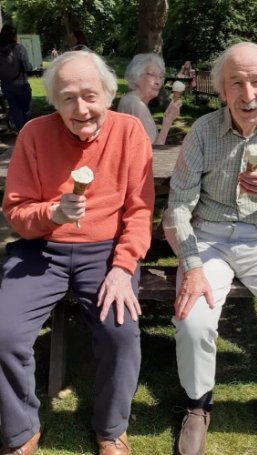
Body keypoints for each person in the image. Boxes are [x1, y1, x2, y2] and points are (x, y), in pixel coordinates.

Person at [163, 41, 257, 455]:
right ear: (222, 90)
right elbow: (178, 206)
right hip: (208, 236)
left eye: (256, 82)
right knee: (193, 322)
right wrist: (191, 266)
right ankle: (198, 405)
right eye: (236, 83)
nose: (247, 94)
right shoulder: (203, 131)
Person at [0, 50, 154, 455]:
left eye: (90, 95)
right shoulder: (34, 134)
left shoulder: (130, 132)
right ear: (54, 101)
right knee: (3, 332)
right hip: (40, 249)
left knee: (122, 334)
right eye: (68, 97)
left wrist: (123, 268)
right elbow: (16, 211)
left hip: (104, 253)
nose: (81, 108)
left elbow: (139, 211)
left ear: (107, 93)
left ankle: (111, 429)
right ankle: (21, 430)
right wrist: (52, 212)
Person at [117, 53, 181, 145]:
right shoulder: (136, 105)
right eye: (152, 75)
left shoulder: (129, 100)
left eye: (160, 76)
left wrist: (168, 116)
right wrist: (168, 121)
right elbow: (155, 153)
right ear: (137, 76)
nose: (158, 82)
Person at [0, 24, 32, 132]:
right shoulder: (19, 48)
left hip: (7, 86)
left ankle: (21, 134)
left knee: (15, 111)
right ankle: (27, 135)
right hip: (21, 84)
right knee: (26, 112)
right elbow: (27, 66)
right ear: (14, 35)